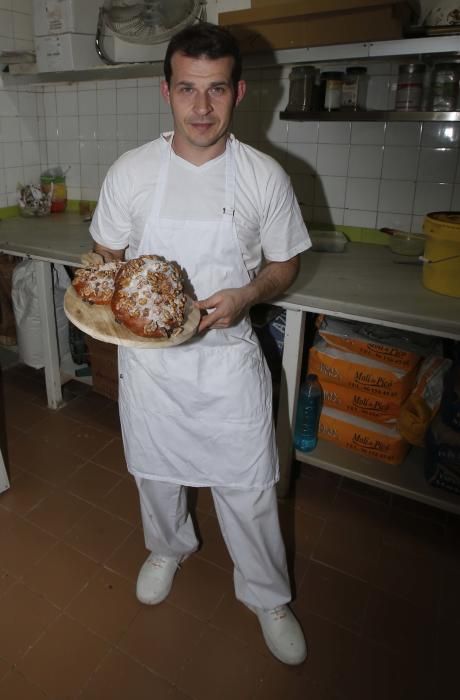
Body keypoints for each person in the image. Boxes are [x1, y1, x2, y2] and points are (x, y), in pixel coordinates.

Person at [87, 21, 311, 666]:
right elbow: (105, 256)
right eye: (188, 89)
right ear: (167, 92)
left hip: (227, 361)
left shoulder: (263, 176)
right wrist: (104, 299)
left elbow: (284, 264)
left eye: (216, 90)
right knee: (155, 475)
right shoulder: (132, 172)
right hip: (151, 366)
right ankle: (168, 548)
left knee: (249, 486)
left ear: (239, 92)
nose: (202, 108)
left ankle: (267, 595)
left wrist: (245, 296)